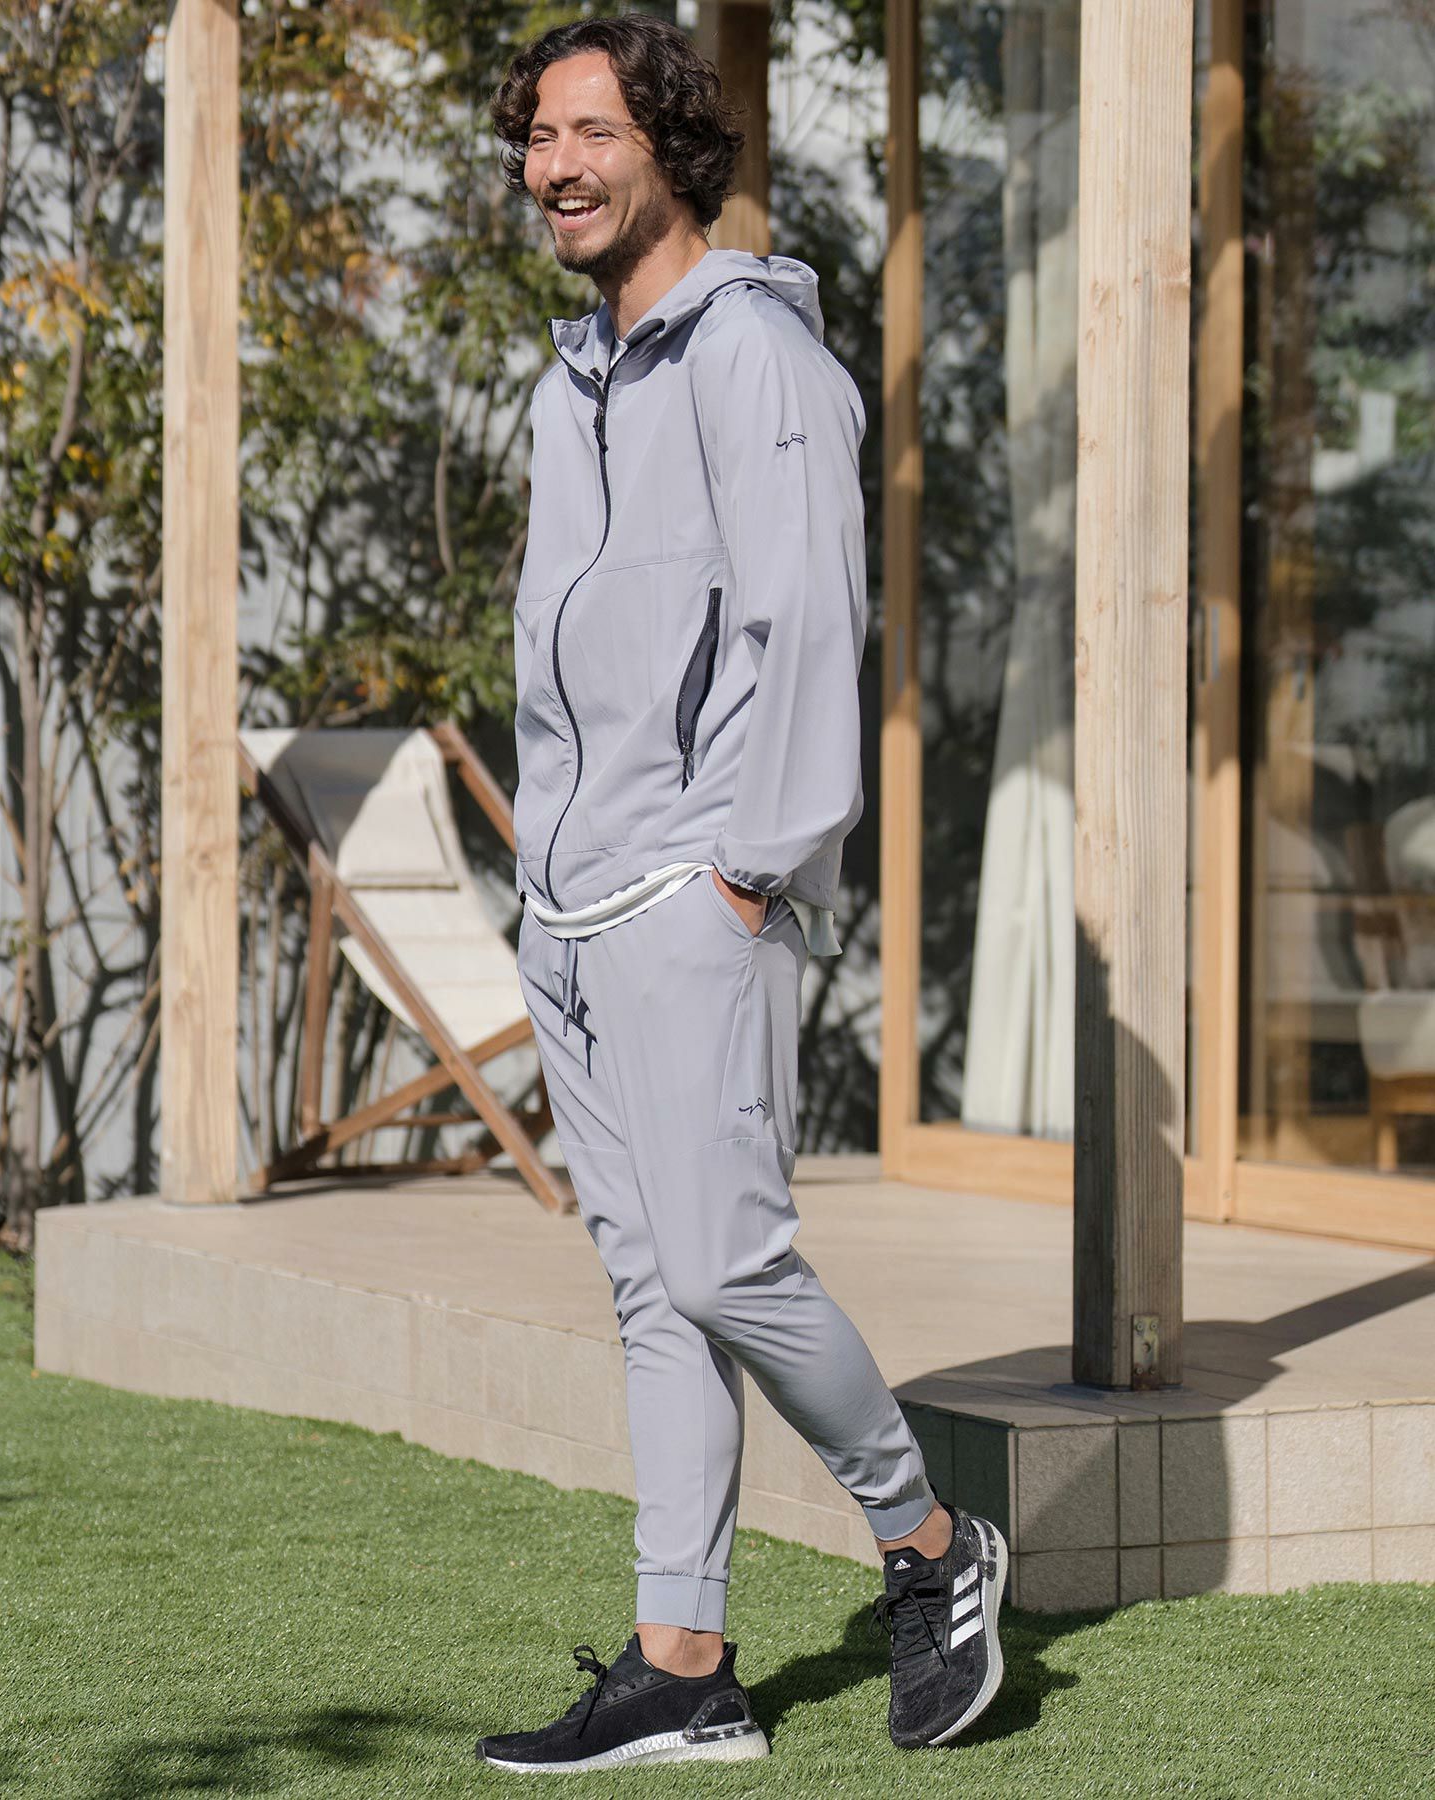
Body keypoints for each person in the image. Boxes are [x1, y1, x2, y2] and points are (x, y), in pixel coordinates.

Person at [475, 14, 1007, 1773]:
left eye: (591, 133)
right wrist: (544, 877)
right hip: (573, 900)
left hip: (694, 889)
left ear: (671, 151)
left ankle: (927, 1540)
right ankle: (684, 1663)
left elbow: (807, 623)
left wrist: (743, 870)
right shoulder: (576, 378)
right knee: (654, 1291)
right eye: (538, 137)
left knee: (725, 1262)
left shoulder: (752, 356)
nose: (556, 166)